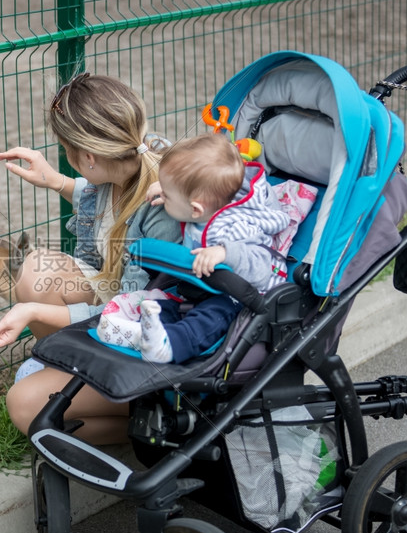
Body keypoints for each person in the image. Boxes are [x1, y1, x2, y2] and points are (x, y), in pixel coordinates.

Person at [0, 73, 182, 444]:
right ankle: (71, 371)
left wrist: (31, 313)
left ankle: (158, 421)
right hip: (118, 307)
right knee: (35, 271)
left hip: (145, 337)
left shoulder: (160, 209)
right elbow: (103, 205)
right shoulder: (125, 164)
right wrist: (57, 181)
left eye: (66, 151)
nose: (65, 159)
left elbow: (130, 312)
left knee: (25, 404)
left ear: (88, 156)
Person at [97, 133, 294, 363]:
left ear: (196, 209)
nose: (164, 198)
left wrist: (225, 252)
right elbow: (192, 192)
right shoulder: (208, 206)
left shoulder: (235, 228)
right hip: (199, 290)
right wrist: (170, 189)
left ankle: (168, 346)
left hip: (240, 302)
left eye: (168, 196)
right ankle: (128, 329)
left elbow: (262, 266)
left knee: (208, 319)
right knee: (160, 304)